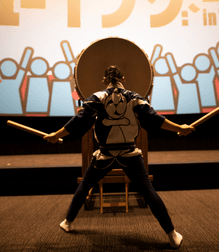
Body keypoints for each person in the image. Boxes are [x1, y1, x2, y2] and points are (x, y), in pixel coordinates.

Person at [44, 65, 195, 248]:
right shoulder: (135, 98)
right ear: (122, 79)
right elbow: (154, 119)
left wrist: (55, 134)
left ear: (105, 80)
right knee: (148, 191)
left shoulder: (97, 98)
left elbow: (79, 121)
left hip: (105, 154)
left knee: (85, 185)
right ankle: (172, 235)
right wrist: (180, 128)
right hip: (129, 154)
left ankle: (67, 222)